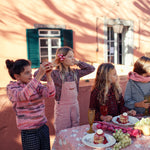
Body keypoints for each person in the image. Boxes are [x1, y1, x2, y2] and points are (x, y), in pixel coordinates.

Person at [35, 46, 95, 133]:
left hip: (75, 105)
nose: (73, 59)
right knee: (62, 131)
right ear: (62, 59)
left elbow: (91, 69)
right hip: (62, 108)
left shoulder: (75, 73)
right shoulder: (55, 74)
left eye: (73, 56)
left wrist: (78, 62)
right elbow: (37, 75)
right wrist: (52, 64)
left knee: (75, 129)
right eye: (70, 56)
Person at [6, 59, 55, 150]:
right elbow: (23, 96)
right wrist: (39, 75)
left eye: (31, 71)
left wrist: (48, 75)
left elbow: (50, 94)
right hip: (29, 132)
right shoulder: (12, 88)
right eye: (27, 73)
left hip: (43, 127)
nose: (31, 75)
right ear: (17, 76)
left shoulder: (35, 84)